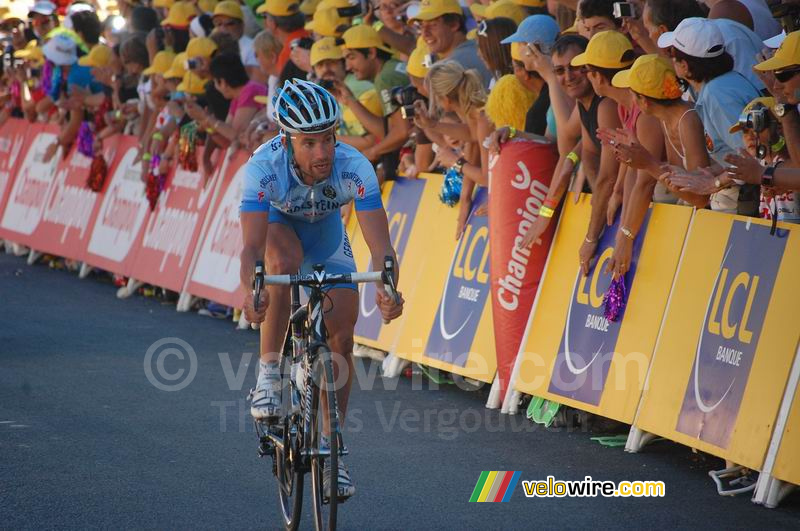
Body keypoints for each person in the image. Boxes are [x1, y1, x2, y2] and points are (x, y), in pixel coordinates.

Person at [240, 79, 404, 501]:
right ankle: (270, 375)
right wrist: (252, 289)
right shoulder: (263, 167)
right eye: (310, 143)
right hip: (280, 230)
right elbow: (252, 248)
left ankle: (333, 452)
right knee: (283, 264)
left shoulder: (355, 166)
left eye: (328, 140)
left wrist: (387, 288)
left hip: (327, 235)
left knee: (343, 335)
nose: (323, 153)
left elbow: (381, 247)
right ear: (288, 140)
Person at [658, 16, 761, 214]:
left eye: (672, 54)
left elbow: (751, 156)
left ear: (685, 66)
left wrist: (713, 183)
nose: (670, 59)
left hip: (756, 197)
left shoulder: (717, 94)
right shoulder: (720, 85)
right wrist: (702, 174)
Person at [339, 24, 411, 175]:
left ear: (371, 53)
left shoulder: (385, 78)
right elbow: (390, 132)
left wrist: (371, 152)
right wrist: (350, 100)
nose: (348, 67)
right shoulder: (392, 67)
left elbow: (402, 132)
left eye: (352, 57)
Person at [408, 0, 493, 86]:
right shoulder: (479, 48)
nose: (425, 33)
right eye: (421, 26)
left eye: (433, 24)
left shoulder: (451, 68)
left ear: (454, 24)